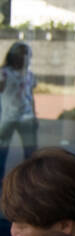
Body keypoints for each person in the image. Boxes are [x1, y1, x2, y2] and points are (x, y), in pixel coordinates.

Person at [0, 42, 37, 180]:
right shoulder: (4, 73)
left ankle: (30, 180)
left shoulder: (29, 75)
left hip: (26, 117)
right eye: (22, 54)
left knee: (31, 153)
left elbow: (31, 96)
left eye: (27, 54)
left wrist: (34, 115)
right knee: (2, 152)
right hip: (8, 117)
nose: (25, 58)